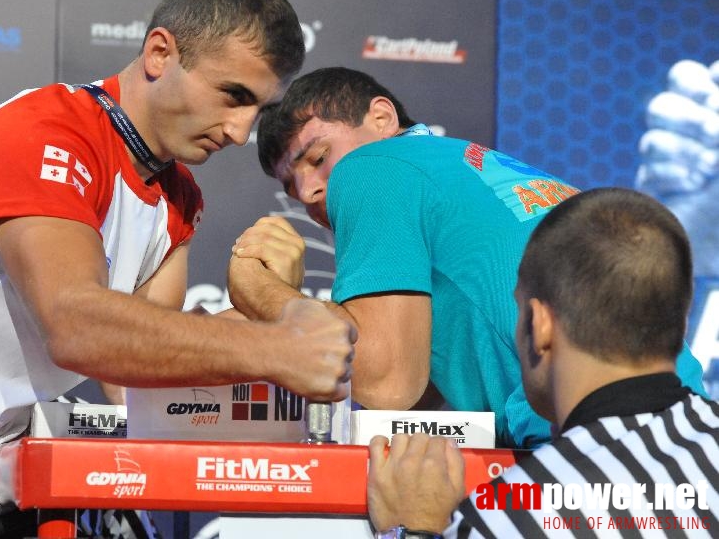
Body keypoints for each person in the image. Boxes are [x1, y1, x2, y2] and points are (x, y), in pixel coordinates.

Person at [0, 0, 356, 538]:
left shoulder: (178, 198)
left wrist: (273, 305)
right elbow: (76, 325)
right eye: (233, 95)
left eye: (260, 109)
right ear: (159, 53)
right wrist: (275, 345)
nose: (242, 132)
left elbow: (136, 370)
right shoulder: (40, 131)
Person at [228, 66, 706, 448]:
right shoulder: (462, 171)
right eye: (291, 187)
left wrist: (261, 290)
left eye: (317, 157)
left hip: (599, 444)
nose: (310, 191)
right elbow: (416, 392)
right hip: (689, 431)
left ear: (382, 118)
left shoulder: (372, 168)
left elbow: (386, 384)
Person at [366, 187, 719, 538]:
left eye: (518, 311)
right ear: (680, 320)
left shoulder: (510, 518)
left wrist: (414, 529)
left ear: (540, 325)